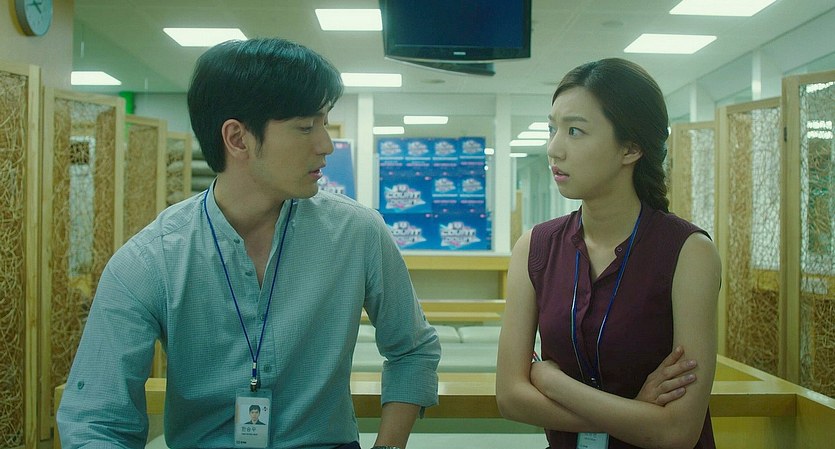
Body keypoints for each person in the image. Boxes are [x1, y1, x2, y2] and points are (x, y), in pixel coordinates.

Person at [57, 37, 441, 449]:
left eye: (324, 123)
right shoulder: (151, 259)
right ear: (238, 139)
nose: (326, 145)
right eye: (306, 127)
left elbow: (413, 351)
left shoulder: (357, 233)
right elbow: (96, 420)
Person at [496, 58, 721, 449]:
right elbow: (510, 397)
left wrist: (553, 382)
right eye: (552, 129)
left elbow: (677, 431)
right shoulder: (535, 247)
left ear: (630, 148)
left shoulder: (688, 252)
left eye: (575, 131)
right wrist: (636, 413)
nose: (554, 149)